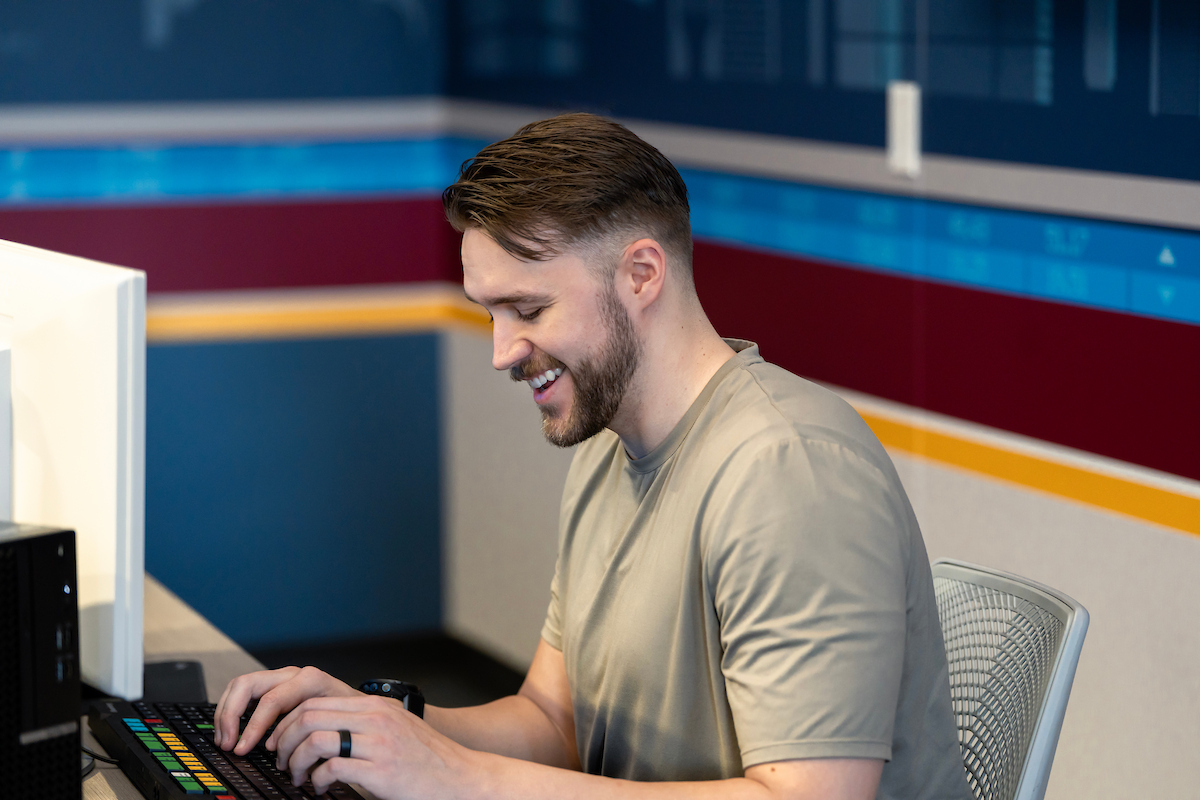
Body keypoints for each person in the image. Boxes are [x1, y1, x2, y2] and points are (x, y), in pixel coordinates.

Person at [214, 113, 969, 800]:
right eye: (491, 313)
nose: (503, 352)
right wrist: (376, 723)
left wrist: (456, 776)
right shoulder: (608, 449)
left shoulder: (791, 472)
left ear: (641, 274)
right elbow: (556, 721)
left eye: (529, 309)